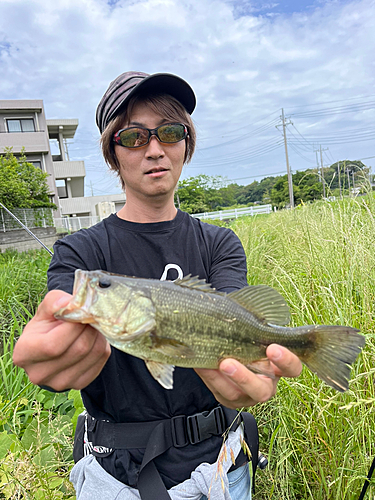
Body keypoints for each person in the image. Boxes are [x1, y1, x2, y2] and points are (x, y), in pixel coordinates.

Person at [13, 71, 302, 500]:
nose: (154, 149)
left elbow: (231, 317)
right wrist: (52, 362)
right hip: (116, 475)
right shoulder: (78, 254)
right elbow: (58, 328)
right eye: (133, 137)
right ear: (113, 153)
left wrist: (247, 374)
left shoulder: (220, 242)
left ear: (186, 144)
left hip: (221, 465)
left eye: (170, 132)